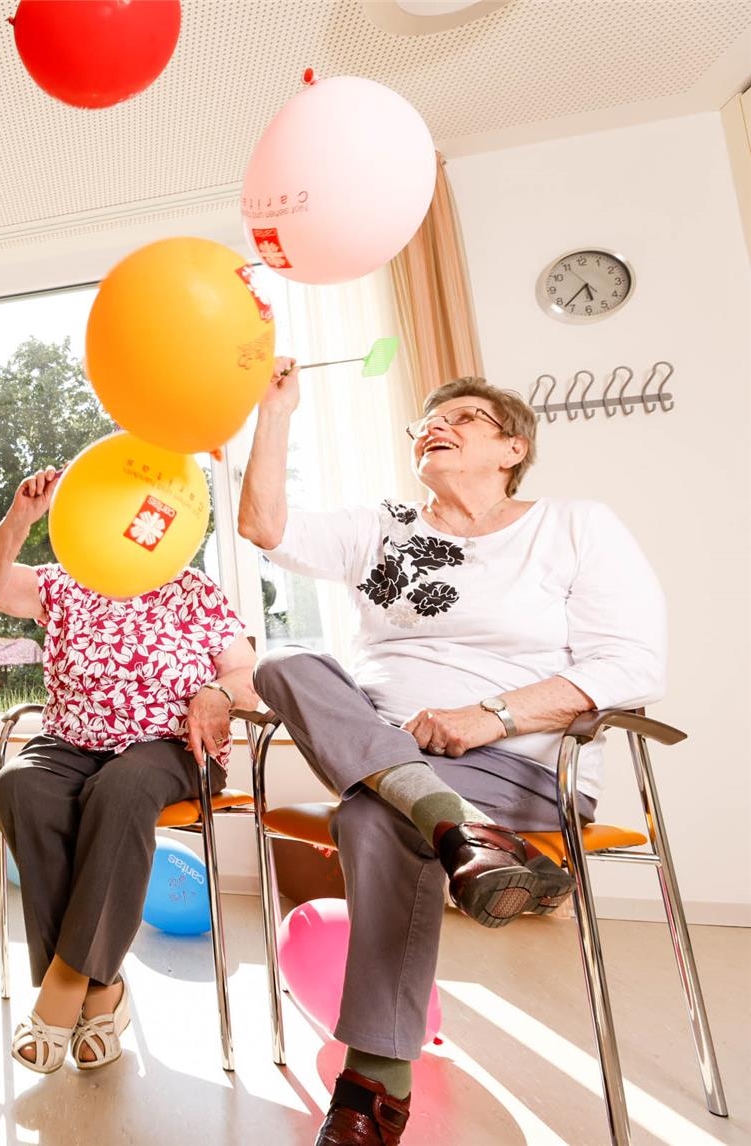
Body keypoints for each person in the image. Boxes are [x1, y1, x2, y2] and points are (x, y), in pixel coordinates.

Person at [237, 362, 665, 1145]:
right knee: (281, 663)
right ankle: (450, 822)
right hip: (394, 754)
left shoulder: (574, 525)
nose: (434, 426)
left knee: (372, 818)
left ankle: (372, 1086)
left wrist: (491, 715)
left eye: (463, 417)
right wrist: (273, 414)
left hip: (523, 765)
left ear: (513, 448)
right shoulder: (384, 525)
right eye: (425, 422)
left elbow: (632, 664)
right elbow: (267, 530)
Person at [0, 468, 256, 1074]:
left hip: (171, 745)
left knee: (121, 788)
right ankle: (105, 993)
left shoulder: (193, 590)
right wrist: (21, 516)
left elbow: (247, 673)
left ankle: (63, 993)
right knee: (18, 786)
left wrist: (219, 693)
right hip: (71, 742)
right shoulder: (64, 584)